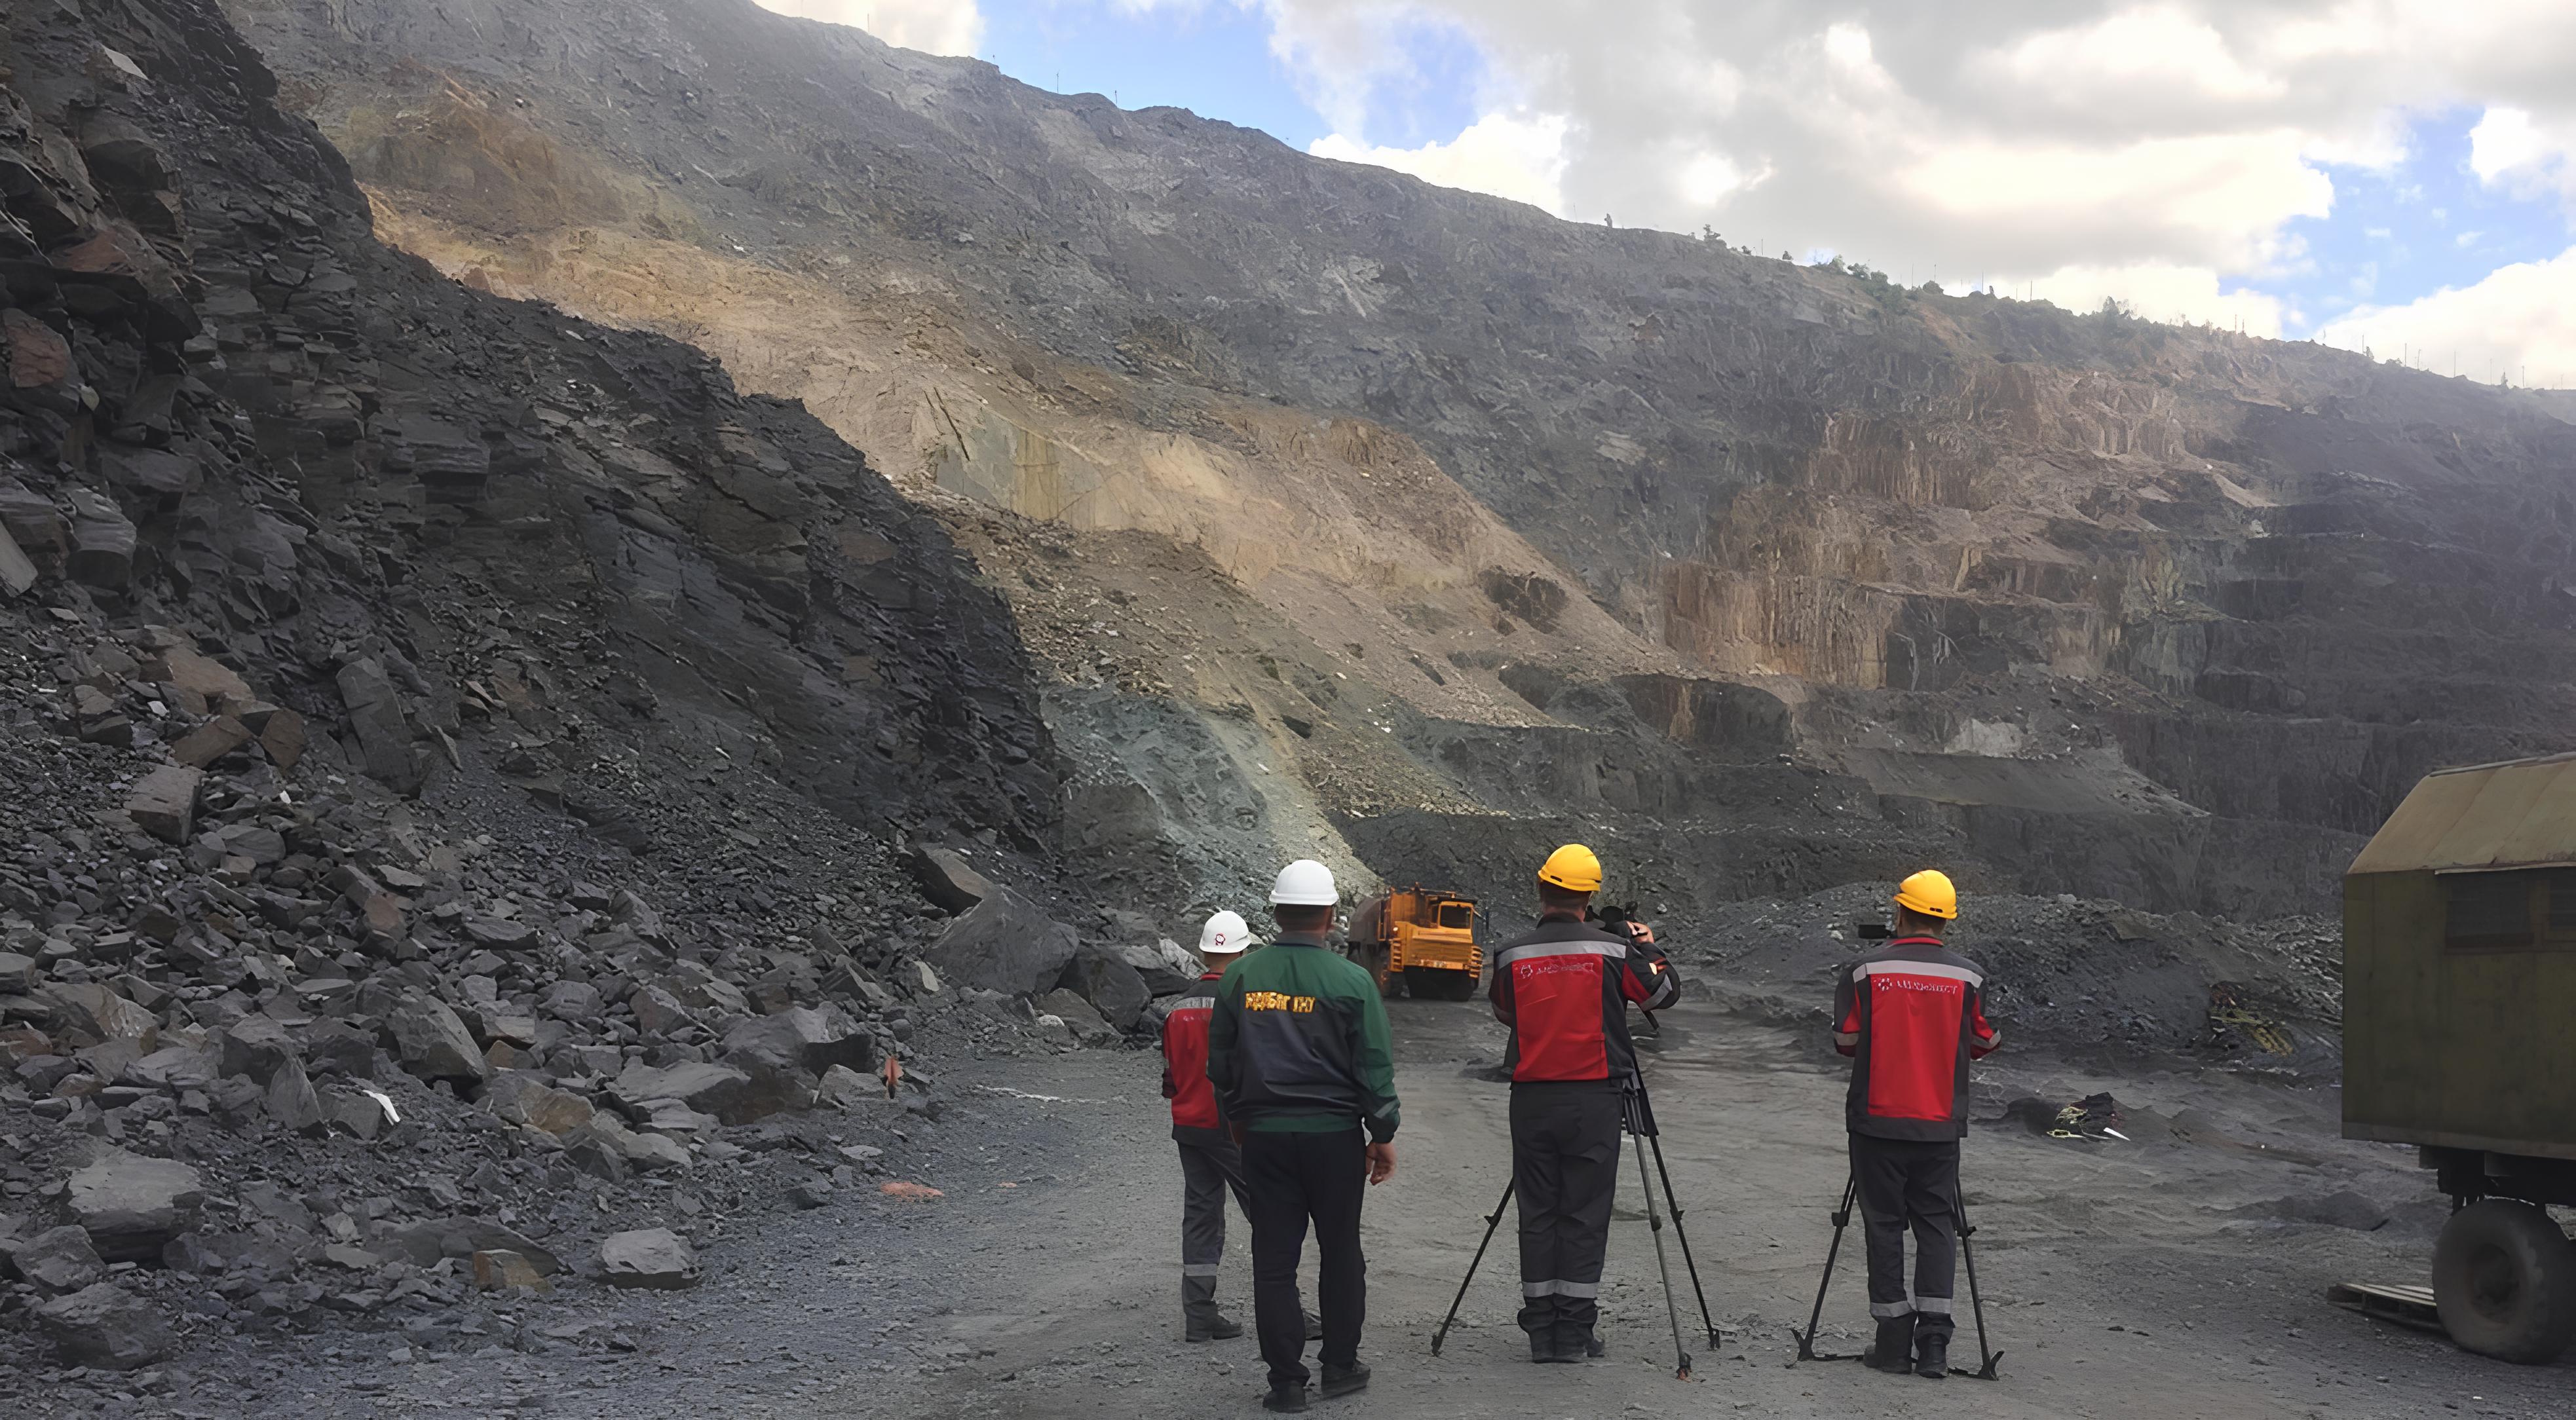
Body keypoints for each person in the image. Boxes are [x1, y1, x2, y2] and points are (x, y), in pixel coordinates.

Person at [1206, 860, 1400, 1413]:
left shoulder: (1242, 977)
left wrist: (1239, 1119)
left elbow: (1221, 1064)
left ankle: (1286, 1383)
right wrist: (1381, 1132)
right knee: (1341, 1251)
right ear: (1331, 915)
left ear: (1274, 911)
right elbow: (1374, 1067)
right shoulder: (1352, 981)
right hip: (1334, 1140)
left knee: (1274, 1258)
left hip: (1264, 1140)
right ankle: (1339, 1365)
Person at [1487, 843, 1680, 1363]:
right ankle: (1574, 1333)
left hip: (1532, 1100)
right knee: (1584, 1215)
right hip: (1594, 1099)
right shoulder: (1614, 952)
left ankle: (1541, 1331)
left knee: (1538, 1213)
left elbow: (1508, 1014)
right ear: (1589, 896)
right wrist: (1648, 948)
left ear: (1541, 889)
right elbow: (1663, 996)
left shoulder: (1512, 954)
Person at [1832, 869, 2003, 1380]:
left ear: (1899, 912)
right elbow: (1985, 1042)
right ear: (1947, 921)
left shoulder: (1864, 971)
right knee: (1936, 1227)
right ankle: (1934, 1345)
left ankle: (1891, 1344)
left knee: (1883, 1226)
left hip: (1877, 1122)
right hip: (1938, 1127)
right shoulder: (1969, 977)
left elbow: (1845, 1043)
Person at [1162, 909, 1257, 1341]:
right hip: (1233, 1127)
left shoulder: (1178, 1007)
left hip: (1190, 1125)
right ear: (1243, 951)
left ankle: (1199, 1313)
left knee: (1201, 1216)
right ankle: (1288, 1309)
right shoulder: (1245, 1001)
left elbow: (1170, 1078)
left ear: (1202, 951)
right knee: (1271, 1213)